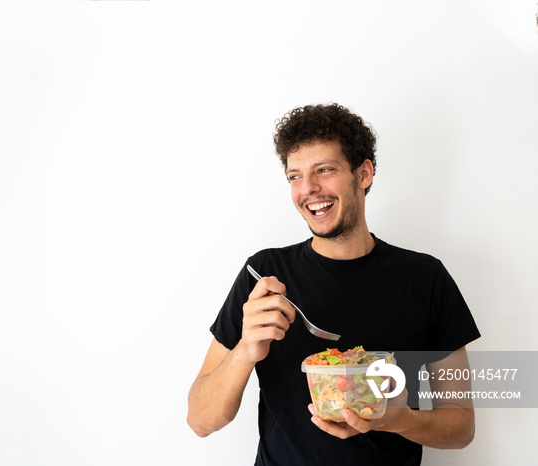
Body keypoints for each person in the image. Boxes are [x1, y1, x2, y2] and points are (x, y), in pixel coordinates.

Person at [186, 103, 480, 465]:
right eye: (295, 176)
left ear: (364, 174)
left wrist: (399, 420)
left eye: (324, 170)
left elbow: (462, 425)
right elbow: (200, 420)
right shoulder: (264, 275)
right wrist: (246, 350)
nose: (308, 189)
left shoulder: (426, 278)